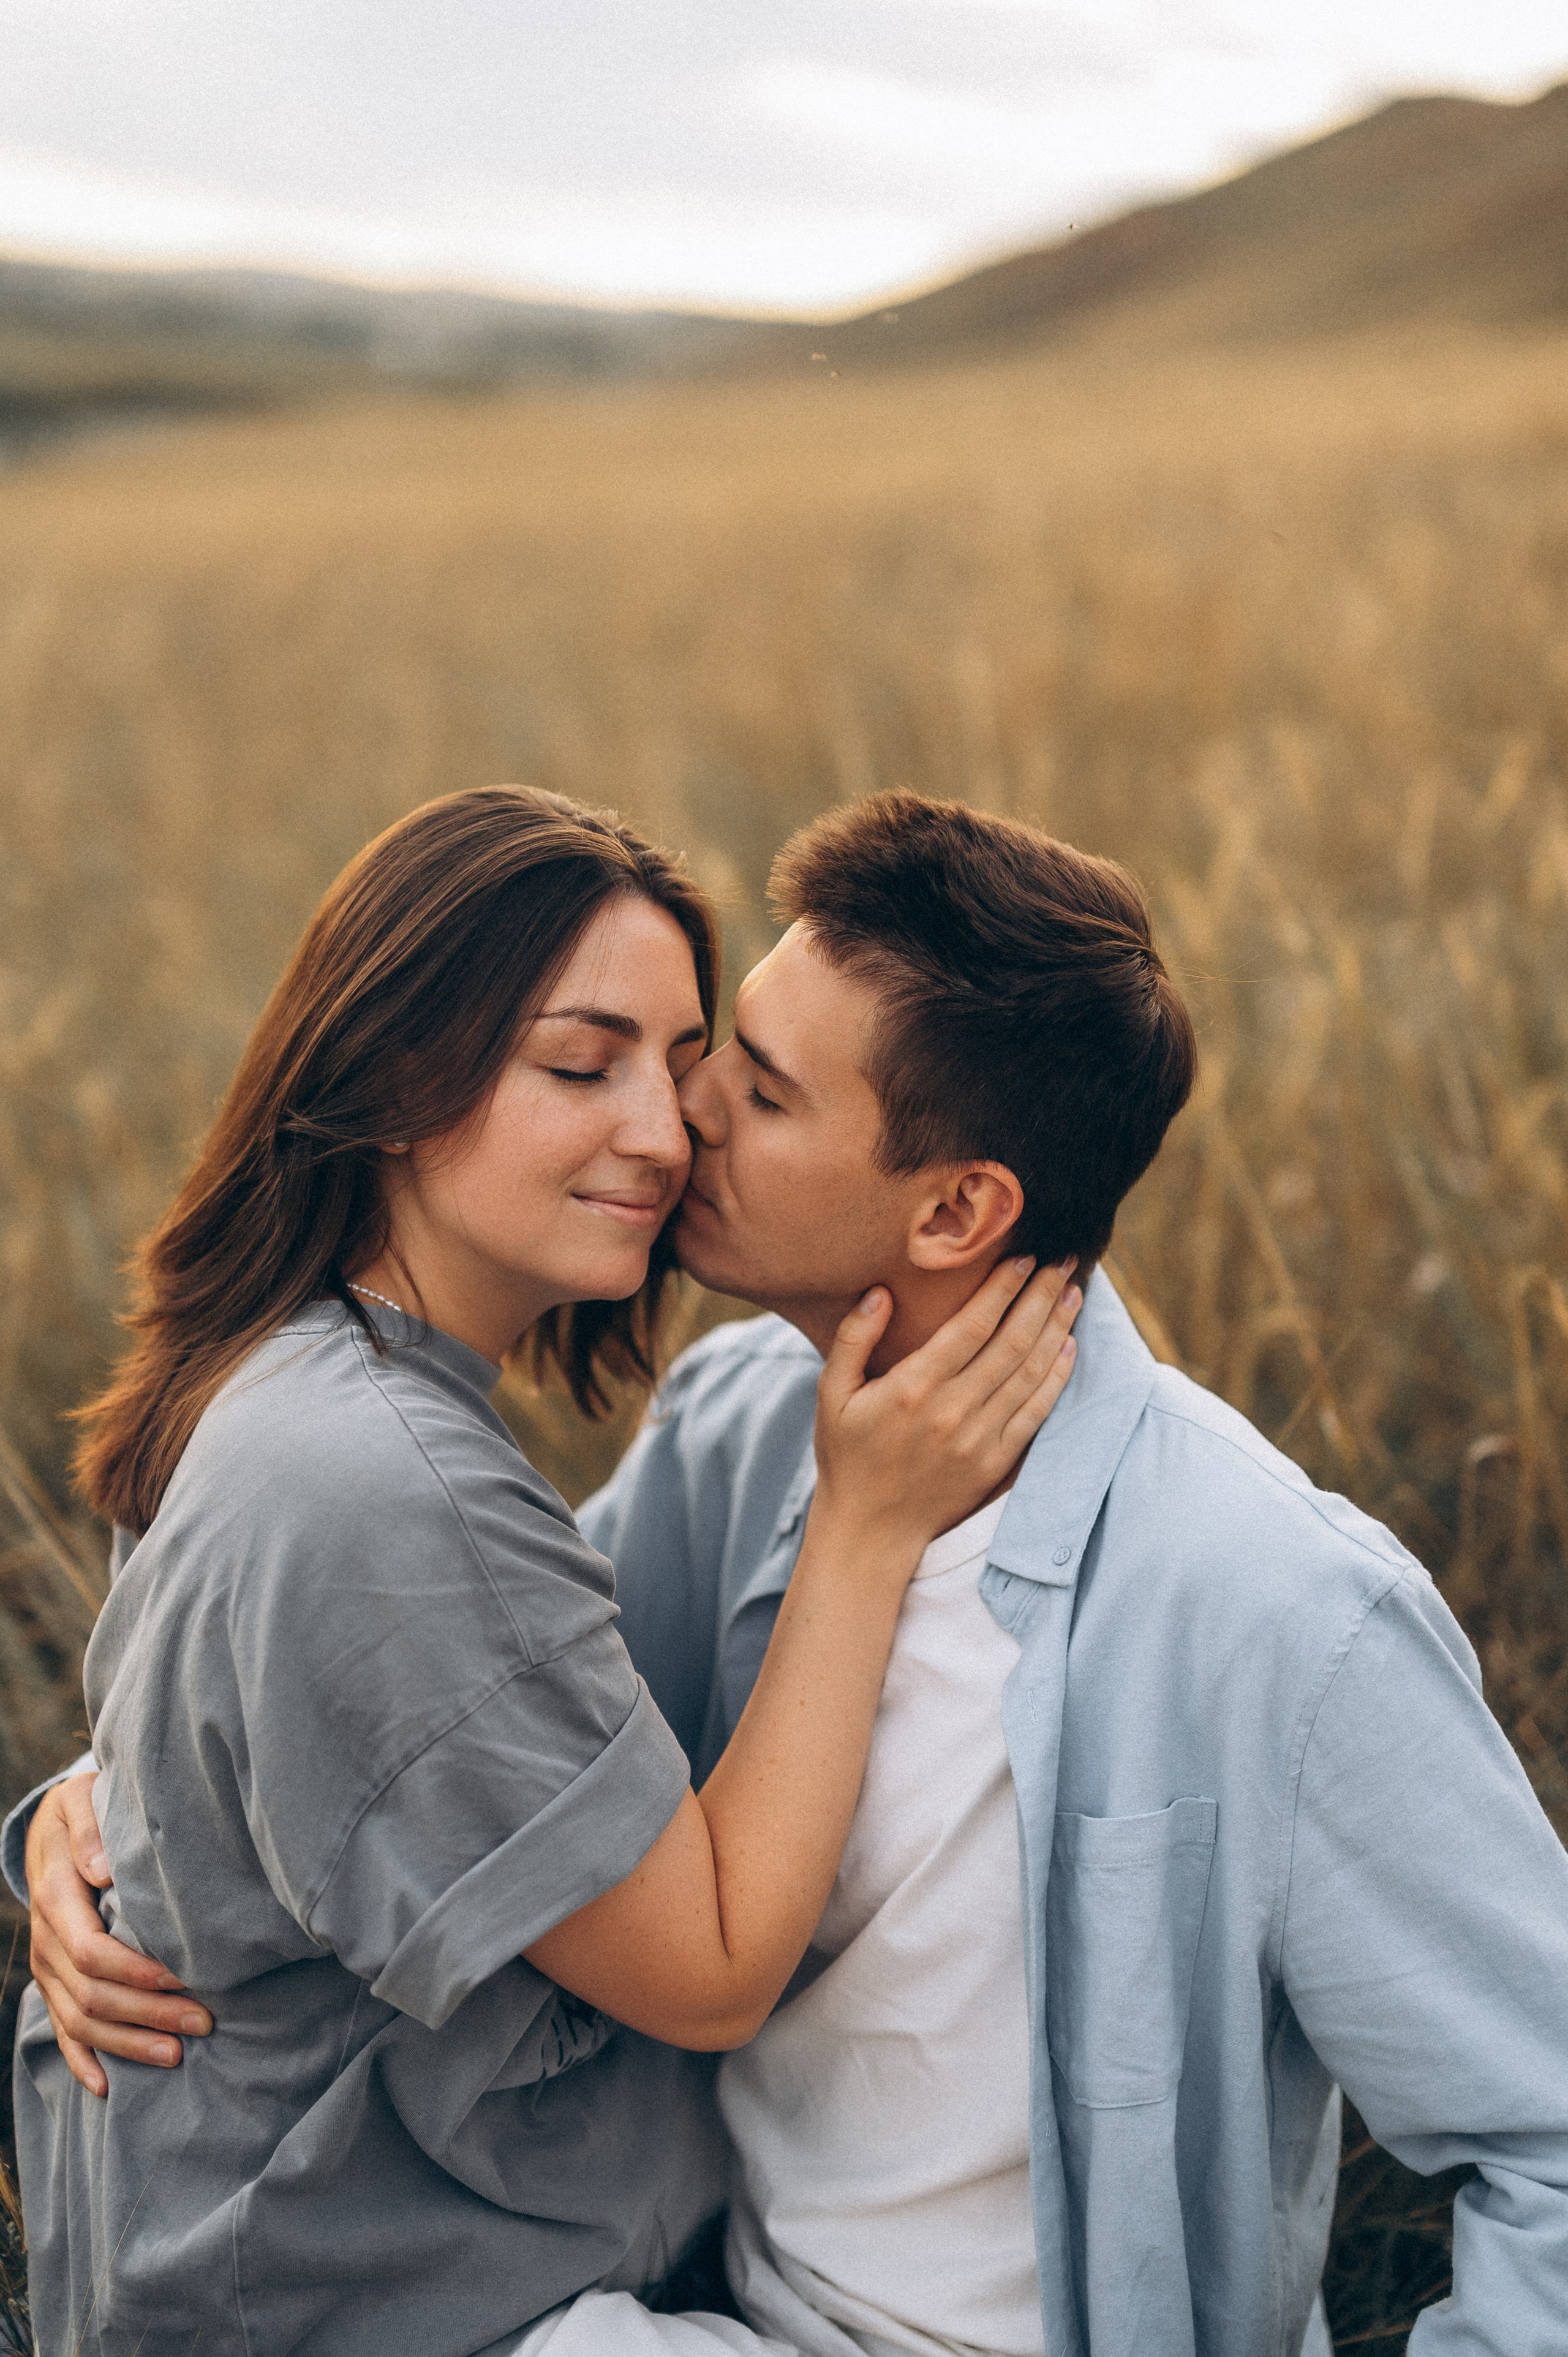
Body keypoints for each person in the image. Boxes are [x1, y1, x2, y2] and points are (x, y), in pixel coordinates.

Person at [23, 791, 1568, 2355]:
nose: (679, 1117)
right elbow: (453, 1700)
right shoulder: (742, 1428)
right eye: (681, 1060)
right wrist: (129, 1791)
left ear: (958, 1206)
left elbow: (1553, 2131)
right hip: (674, 2306)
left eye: (749, 1090)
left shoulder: (1271, 1608)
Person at [2, 785, 1081, 2357]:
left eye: (687, 1065)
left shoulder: (292, 1375)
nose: (664, 1132)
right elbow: (709, 1972)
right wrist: (864, 1523)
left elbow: (357, 1716)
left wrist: (93, 1804)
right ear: (386, 1078)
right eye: (582, 1065)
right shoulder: (385, 1482)